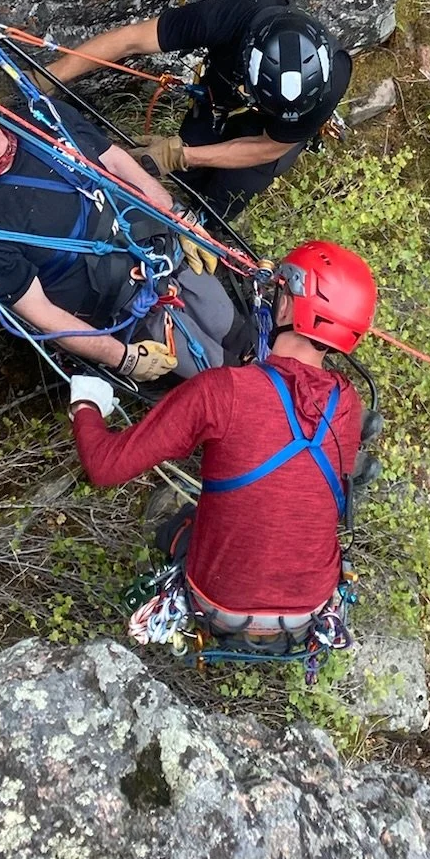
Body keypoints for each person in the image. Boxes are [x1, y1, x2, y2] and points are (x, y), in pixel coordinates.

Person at [67, 241, 377, 640]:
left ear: (286, 307)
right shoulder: (348, 402)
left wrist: (86, 405)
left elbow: (105, 466)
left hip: (218, 603)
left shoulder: (222, 391)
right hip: (310, 610)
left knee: (176, 522)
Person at [0, 78, 244, 381]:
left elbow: (114, 160)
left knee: (236, 331)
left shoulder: (41, 118)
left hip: (164, 254)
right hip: (131, 313)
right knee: (223, 379)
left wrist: (176, 216)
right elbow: (40, 313)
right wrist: (122, 357)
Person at [45, 0, 352, 220]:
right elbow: (131, 40)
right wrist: (47, 77)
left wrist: (183, 155)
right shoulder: (235, 16)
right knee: (185, 172)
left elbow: (268, 147)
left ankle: (205, 223)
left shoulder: (331, 78)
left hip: (269, 136)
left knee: (226, 197)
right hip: (219, 99)